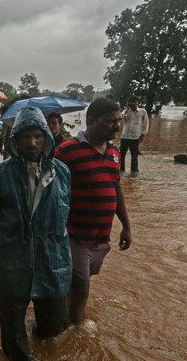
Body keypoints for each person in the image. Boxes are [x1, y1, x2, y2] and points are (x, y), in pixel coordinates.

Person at [0, 106, 72, 361]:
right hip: (13, 260)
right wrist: (1, 258)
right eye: (25, 137)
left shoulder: (62, 173)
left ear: (47, 138)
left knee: (54, 326)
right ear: (15, 140)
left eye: (37, 136)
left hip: (53, 261)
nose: (32, 143)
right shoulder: (0, 175)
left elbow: (65, 217)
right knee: (12, 338)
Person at [55, 98, 132, 325]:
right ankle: (76, 336)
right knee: (81, 291)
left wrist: (126, 226)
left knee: (75, 287)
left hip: (100, 238)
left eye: (119, 121)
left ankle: (58, 320)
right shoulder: (66, 152)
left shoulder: (115, 153)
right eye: (110, 122)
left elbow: (116, 189)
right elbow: (52, 194)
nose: (117, 127)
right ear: (91, 121)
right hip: (73, 237)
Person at [120, 96, 149, 174]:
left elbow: (146, 124)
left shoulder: (143, 111)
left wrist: (143, 134)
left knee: (134, 156)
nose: (132, 103)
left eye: (134, 102)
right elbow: (123, 118)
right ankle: (121, 171)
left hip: (135, 137)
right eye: (130, 102)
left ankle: (134, 171)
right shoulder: (125, 111)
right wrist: (127, 109)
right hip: (124, 136)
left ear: (137, 103)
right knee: (121, 155)